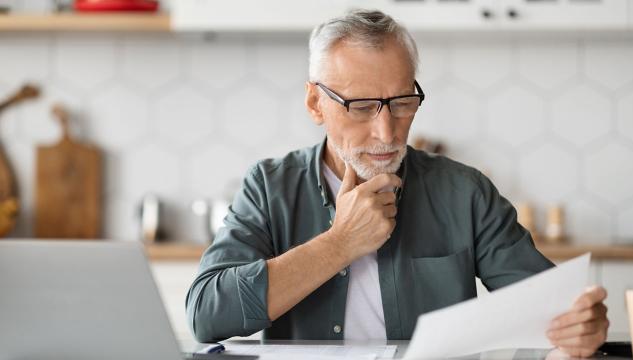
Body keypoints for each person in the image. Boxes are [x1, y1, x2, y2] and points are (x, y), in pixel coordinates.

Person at [186, 9, 609, 357]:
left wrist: (580, 329)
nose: (387, 133)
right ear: (316, 103)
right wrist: (339, 245)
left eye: (403, 103)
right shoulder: (269, 186)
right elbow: (208, 316)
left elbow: (553, 315)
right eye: (362, 106)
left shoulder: (465, 193)